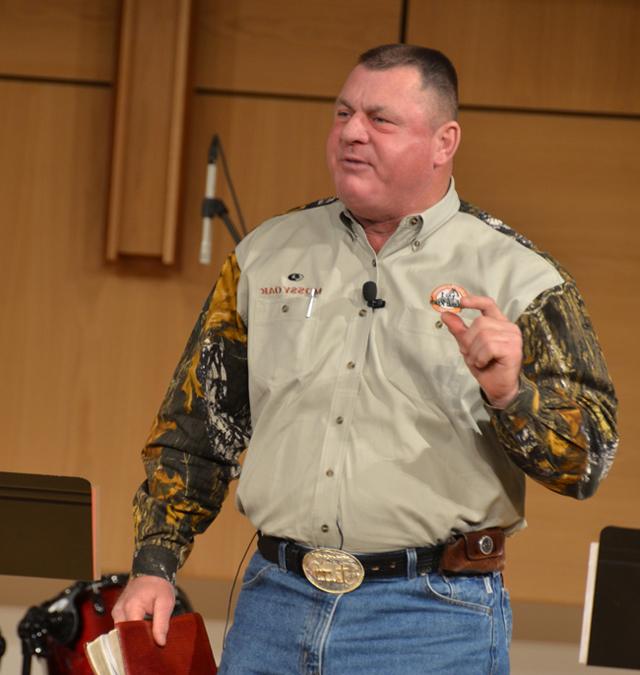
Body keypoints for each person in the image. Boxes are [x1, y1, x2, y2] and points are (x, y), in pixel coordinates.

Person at [113, 44, 618, 673]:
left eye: (380, 120)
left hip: (433, 617)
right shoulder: (264, 256)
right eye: (343, 113)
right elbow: (195, 430)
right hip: (275, 603)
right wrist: (154, 566)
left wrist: (510, 395)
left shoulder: (521, 278)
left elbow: (589, 460)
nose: (352, 132)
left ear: (444, 141)